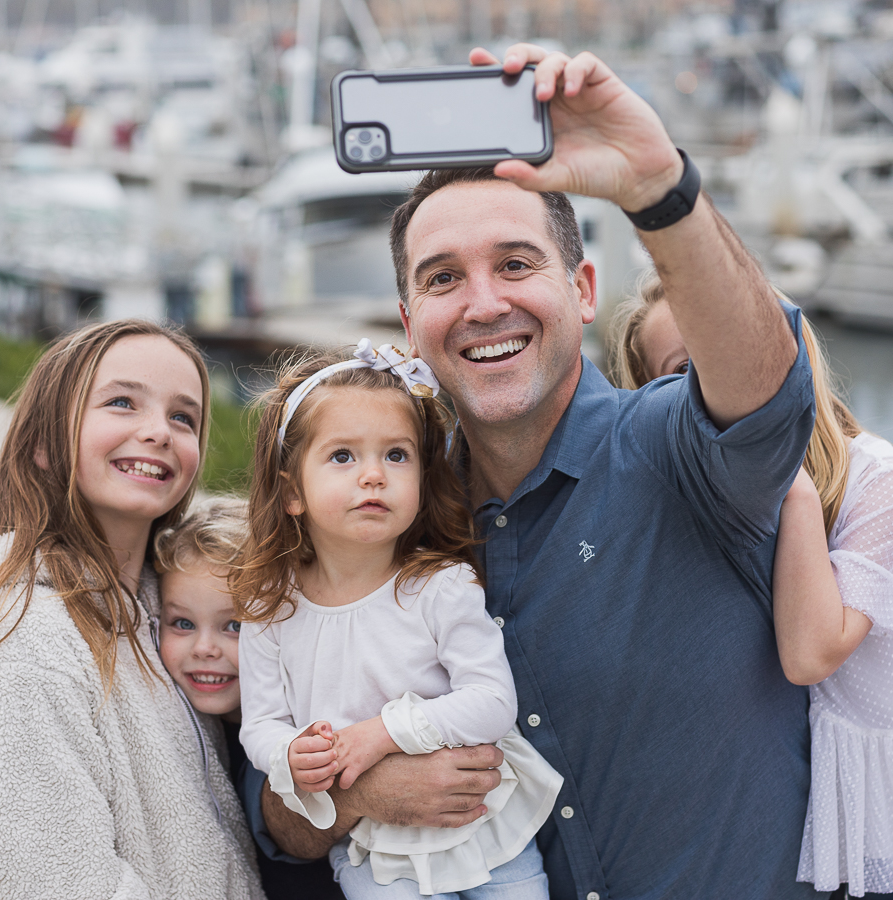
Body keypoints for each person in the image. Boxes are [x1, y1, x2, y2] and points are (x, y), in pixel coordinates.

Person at [250, 42, 821, 900]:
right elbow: (281, 827)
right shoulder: (374, 521)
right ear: (411, 323)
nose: (484, 303)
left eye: (516, 264)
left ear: (585, 290)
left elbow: (767, 386)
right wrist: (362, 789)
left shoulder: (678, 448)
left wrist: (655, 186)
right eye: (445, 278)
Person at [232, 341, 563, 898]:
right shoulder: (271, 610)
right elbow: (261, 724)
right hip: (374, 849)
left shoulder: (441, 586)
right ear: (292, 491)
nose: (373, 476)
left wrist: (381, 735)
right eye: (343, 456)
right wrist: (288, 754)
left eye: (396, 455)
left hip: (481, 824)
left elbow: (492, 701)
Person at [614, 278, 893, 898]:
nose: (719, 377)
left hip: (874, 801)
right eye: (685, 369)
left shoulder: (874, 478)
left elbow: (811, 652)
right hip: (788, 814)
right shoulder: (695, 504)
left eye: (729, 348)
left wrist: (788, 480)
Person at [0, 320, 265, 900]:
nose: (158, 432)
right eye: (122, 402)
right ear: (43, 442)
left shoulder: (170, 610)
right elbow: (56, 881)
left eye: (183, 417)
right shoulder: (26, 639)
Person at [154, 497, 343, 899]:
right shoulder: (178, 726)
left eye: (234, 625)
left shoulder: (312, 714)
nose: (205, 648)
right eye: (182, 623)